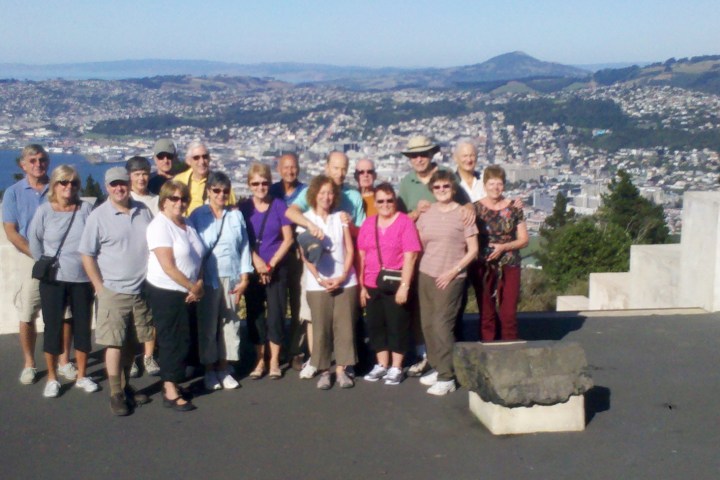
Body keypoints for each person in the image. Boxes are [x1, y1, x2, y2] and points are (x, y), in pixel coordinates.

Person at [80, 167, 155, 415]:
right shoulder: (98, 216)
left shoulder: (143, 211)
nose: (119, 188)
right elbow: (87, 255)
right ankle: (115, 394)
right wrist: (100, 288)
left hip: (140, 291)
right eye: (113, 185)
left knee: (132, 345)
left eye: (122, 183)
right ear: (106, 187)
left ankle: (125, 387)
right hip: (113, 291)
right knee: (114, 344)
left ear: (129, 183)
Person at [285, 151, 365, 379]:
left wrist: (348, 223)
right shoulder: (313, 193)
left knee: (344, 321)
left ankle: (343, 364)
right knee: (315, 318)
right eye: (336, 168)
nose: (340, 173)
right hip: (316, 270)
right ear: (327, 167)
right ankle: (319, 362)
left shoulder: (352, 198)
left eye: (344, 169)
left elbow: (359, 235)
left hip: (344, 268)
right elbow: (291, 212)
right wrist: (311, 225)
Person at [3, 145, 75, 385]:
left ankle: (64, 361)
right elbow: (11, 231)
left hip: (60, 259)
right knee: (28, 312)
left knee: (65, 313)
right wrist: (37, 255)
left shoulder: (58, 188)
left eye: (42, 160)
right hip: (31, 260)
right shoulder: (13, 193)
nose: (37, 164)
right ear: (23, 165)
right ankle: (29, 363)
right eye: (32, 160)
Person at [28, 165, 98, 398]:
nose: (68, 187)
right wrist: (45, 263)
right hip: (54, 280)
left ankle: (82, 375)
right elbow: (34, 240)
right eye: (63, 182)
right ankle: (52, 377)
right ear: (54, 185)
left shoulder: (86, 209)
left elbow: (96, 239)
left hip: (82, 279)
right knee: (53, 328)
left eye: (73, 183)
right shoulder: (44, 211)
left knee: (83, 327)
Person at [415, 170, 478, 395]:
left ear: (453, 188)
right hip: (427, 274)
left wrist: (454, 271)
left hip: (452, 277)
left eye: (446, 186)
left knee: (443, 325)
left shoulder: (464, 214)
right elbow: (420, 244)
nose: (442, 190)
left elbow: (473, 250)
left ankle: (447, 376)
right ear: (432, 190)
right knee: (428, 325)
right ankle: (437, 365)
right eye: (437, 187)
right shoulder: (427, 213)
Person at [188, 172, 252, 391]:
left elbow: (244, 247)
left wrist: (245, 278)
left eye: (225, 191)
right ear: (209, 191)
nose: (221, 195)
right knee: (207, 325)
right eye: (216, 190)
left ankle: (224, 368)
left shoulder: (236, 216)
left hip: (232, 277)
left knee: (230, 324)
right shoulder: (198, 215)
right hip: (207, 278)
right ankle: (209, 369)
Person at [145, 180, 205, 412]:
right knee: (170, 340)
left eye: (184, 199)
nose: (180, 203)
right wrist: (193, 286)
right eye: (175, 198)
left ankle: (176, 384)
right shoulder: (159, 226)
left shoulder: (186, 223)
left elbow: (198, 255)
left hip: (188, 290)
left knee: (183, 339)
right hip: (167, 291)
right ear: (164, 201)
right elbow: (168, 266)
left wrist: (197, 283)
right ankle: (169, 390)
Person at [358, 183, 421, 386]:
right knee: (376, 325)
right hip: (371, 281)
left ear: (395, 201)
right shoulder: (368, 224)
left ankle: (396, 366)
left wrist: (405, 285)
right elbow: (361, 256)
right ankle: (381, 364)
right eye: (381, 201)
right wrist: (361, 286)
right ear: (374, 203)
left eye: (389, 200)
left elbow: (410, 255)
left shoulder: (404, 223)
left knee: (397, 324)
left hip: (395, 282)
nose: (385, 204)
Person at [299, 175, 358, 390]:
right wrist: (319, 278)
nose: (326, 197)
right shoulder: (305, 219)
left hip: (346, 280)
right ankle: (324, 371)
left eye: (330, 193)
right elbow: (305, 255)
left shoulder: (340, 218)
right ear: (314, 194)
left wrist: (342, 276)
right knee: (321, 328)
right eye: (322, 192)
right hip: (318, 284)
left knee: (344, 327)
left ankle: (342, 369)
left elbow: (350, 249)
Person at [239, 163, 294, 379]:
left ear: (270, 184)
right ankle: (259, 358)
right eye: (256, 184)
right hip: (254, 268)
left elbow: (288, 239)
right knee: (255, 314)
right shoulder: (245, 208)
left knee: (277, 314)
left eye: (264, 183)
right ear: (249, 185)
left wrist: (270, 264)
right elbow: (242, 239)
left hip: (276, 268)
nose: (261, 187)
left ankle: (274, 360)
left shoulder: (279, 205)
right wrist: (257, 262)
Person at [474, 166, 529, 342]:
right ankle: (488, 348)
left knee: (508, 312)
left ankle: (510, 347)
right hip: (484, 264)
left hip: (510, 262)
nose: (495, 188)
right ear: (484, 185)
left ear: (504, 185)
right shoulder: (475, 209)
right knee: (487, 312)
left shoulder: (514, 209)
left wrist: (503, 247)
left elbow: (524, 239)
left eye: (499, 183)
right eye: (491, 183)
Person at [124, 156, 161, 378]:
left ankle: (148, 356)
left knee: (150, 315)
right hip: (129, 266)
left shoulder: (157, 201)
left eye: (145, 173)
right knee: (130, 316)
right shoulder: (123, 198)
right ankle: (132, 358)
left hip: (152, 266)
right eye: (137, 174)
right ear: (129, 176)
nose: (141, 178)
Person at [269, 152, 306, 371]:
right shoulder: (272, 191)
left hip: (299, 255)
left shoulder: (305, 192)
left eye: (293, 167)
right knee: (278, 305)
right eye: (286, 167)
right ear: (279, 169)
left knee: (299, 305)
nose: (290, 171)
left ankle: (296, 350)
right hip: (278, 255)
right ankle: (278, 347)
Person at [173, 141, 236, 215]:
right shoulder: (179, 181)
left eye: (205, 157)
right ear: (188, 161)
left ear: (209, 159)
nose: (202, 161)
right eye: (196, 158)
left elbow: (232, 210)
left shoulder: (222, 184)